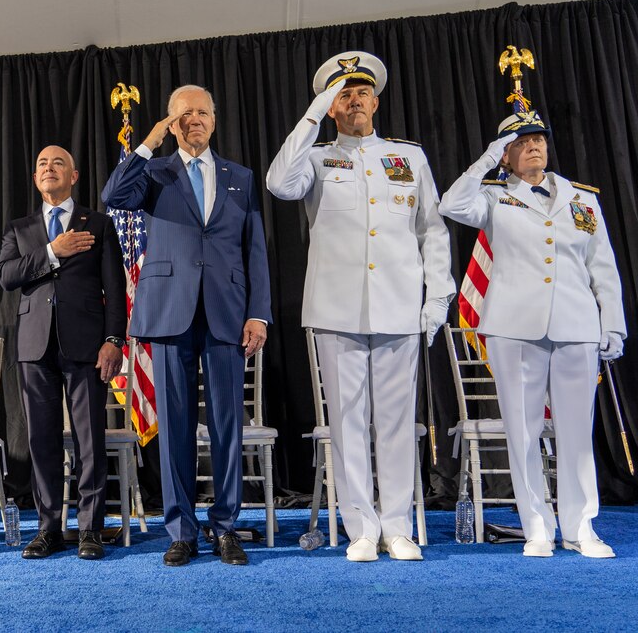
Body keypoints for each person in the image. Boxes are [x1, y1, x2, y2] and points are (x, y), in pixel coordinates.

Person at [267, 52, 454, 562]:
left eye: (361, 93)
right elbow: (278, 184)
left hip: (397, 304)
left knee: (395, 420)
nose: (354, 101)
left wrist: (437, 295)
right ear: (331, 106)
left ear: (376, 101)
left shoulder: (408, 158)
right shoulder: (316, 156)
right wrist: (310, 116)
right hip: (336, 308)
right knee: (347, 420)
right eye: (343, 95)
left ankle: (396, 525)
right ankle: (361, 529)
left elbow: (431, 230)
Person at [439, 103, 626, 558]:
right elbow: (450, 203)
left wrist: (613, 323)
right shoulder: (492, 196)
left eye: (537, 140)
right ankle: (537, 527)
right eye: (521, 143)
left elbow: (604, 267)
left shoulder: (582, 200)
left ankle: (581, 527)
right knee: (522, 431)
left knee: (577, 431)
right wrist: (487, 158)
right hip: (514, 326)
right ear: (506, 154)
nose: (533, 147)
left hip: (576, 323)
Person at [101, 85, 271, 566]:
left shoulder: (241, 176)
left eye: (202, 112)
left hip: (227, 311)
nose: (194, 119)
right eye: (183, 114)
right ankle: (181, 530)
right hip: (170, 309)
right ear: (171, 122)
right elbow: (113, 196)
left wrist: (258, 311)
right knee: (175, 424)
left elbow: (254, 248)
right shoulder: (153, 172)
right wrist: (150, 140)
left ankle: (226, 527)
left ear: (214, 120)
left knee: (226, 426)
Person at [0, 145, 127, 560]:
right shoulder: (20, 228)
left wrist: (114, 340)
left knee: (90, 438)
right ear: (36, 178)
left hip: (86, 344)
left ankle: (90, 528)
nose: (48, 168)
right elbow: (6, 276)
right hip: (35, 346)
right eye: (41, 164)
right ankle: (48, 527)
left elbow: (116, 289)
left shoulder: (99, 224)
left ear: (73, 175)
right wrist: (55, 251)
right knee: (42, 440)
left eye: (57, 163)